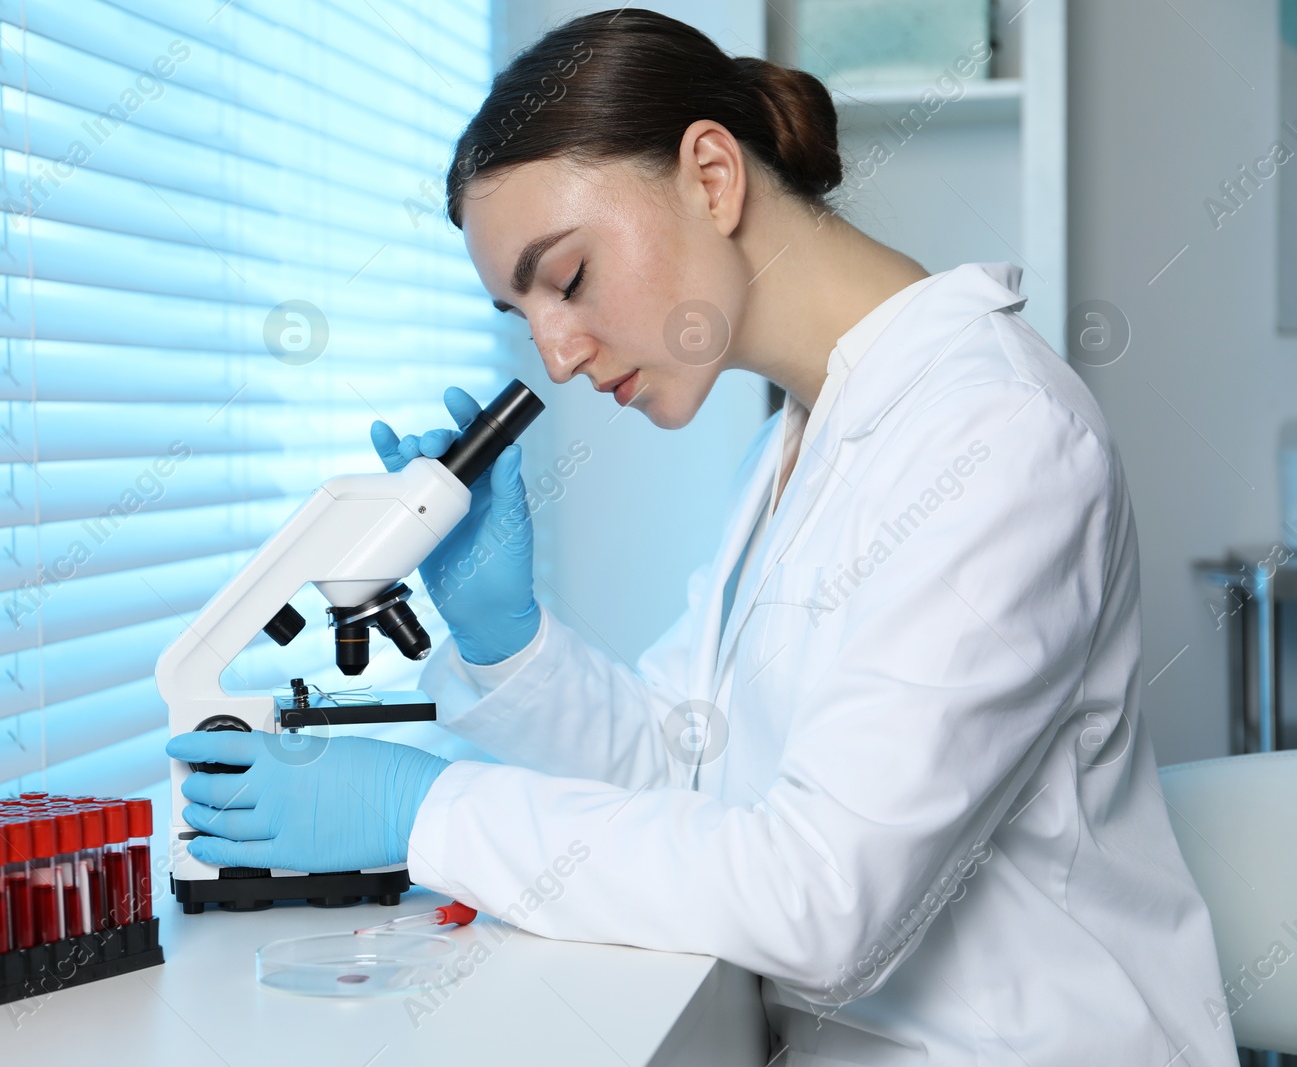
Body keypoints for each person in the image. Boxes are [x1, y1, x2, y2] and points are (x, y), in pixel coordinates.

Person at [165, 10, 1238, 1063]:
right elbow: (685, 776)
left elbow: (820, 900)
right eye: (521, 314)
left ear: (712, 175)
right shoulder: (795, 445)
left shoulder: (997, 435)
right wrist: (511, 640)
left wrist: (423, 809)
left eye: (569, 277)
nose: (557, 355)